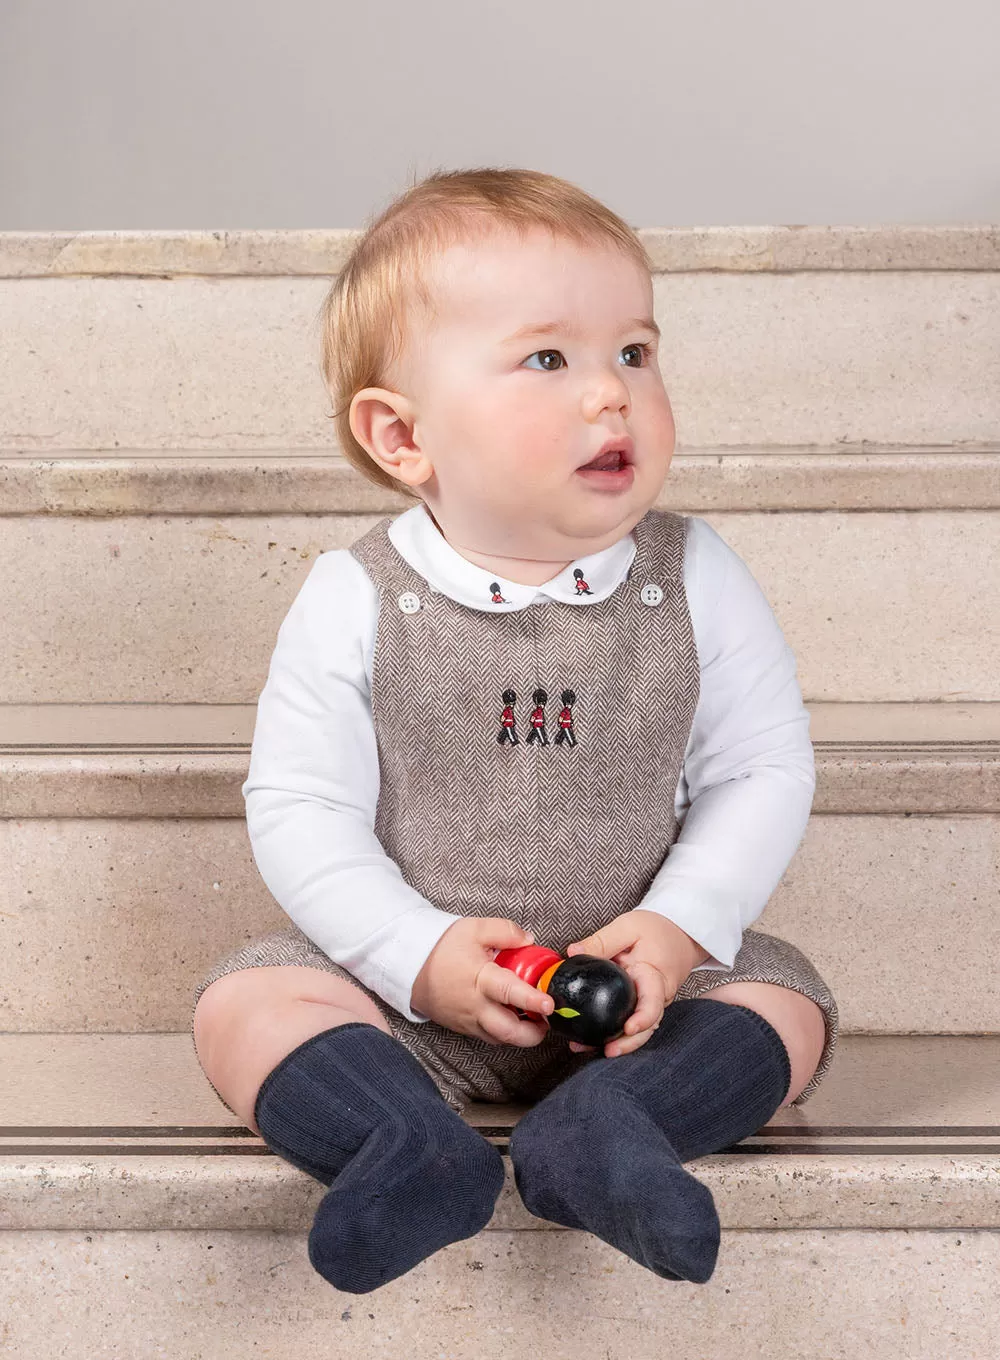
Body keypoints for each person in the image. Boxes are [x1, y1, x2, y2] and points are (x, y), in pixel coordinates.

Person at [191, 166, 838, 1296]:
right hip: (409, 999)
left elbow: (760, 766)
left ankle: (607, 1131)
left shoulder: (695, 576)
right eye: (550, 359)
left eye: (634, 352)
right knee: (247, 1000)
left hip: (640, 999)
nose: (611, 395)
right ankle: (404, 1147)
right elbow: (303, 810)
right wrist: (411, 953)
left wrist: (679, 929)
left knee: (784, 1002)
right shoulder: (354, 597)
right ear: (401, 435)